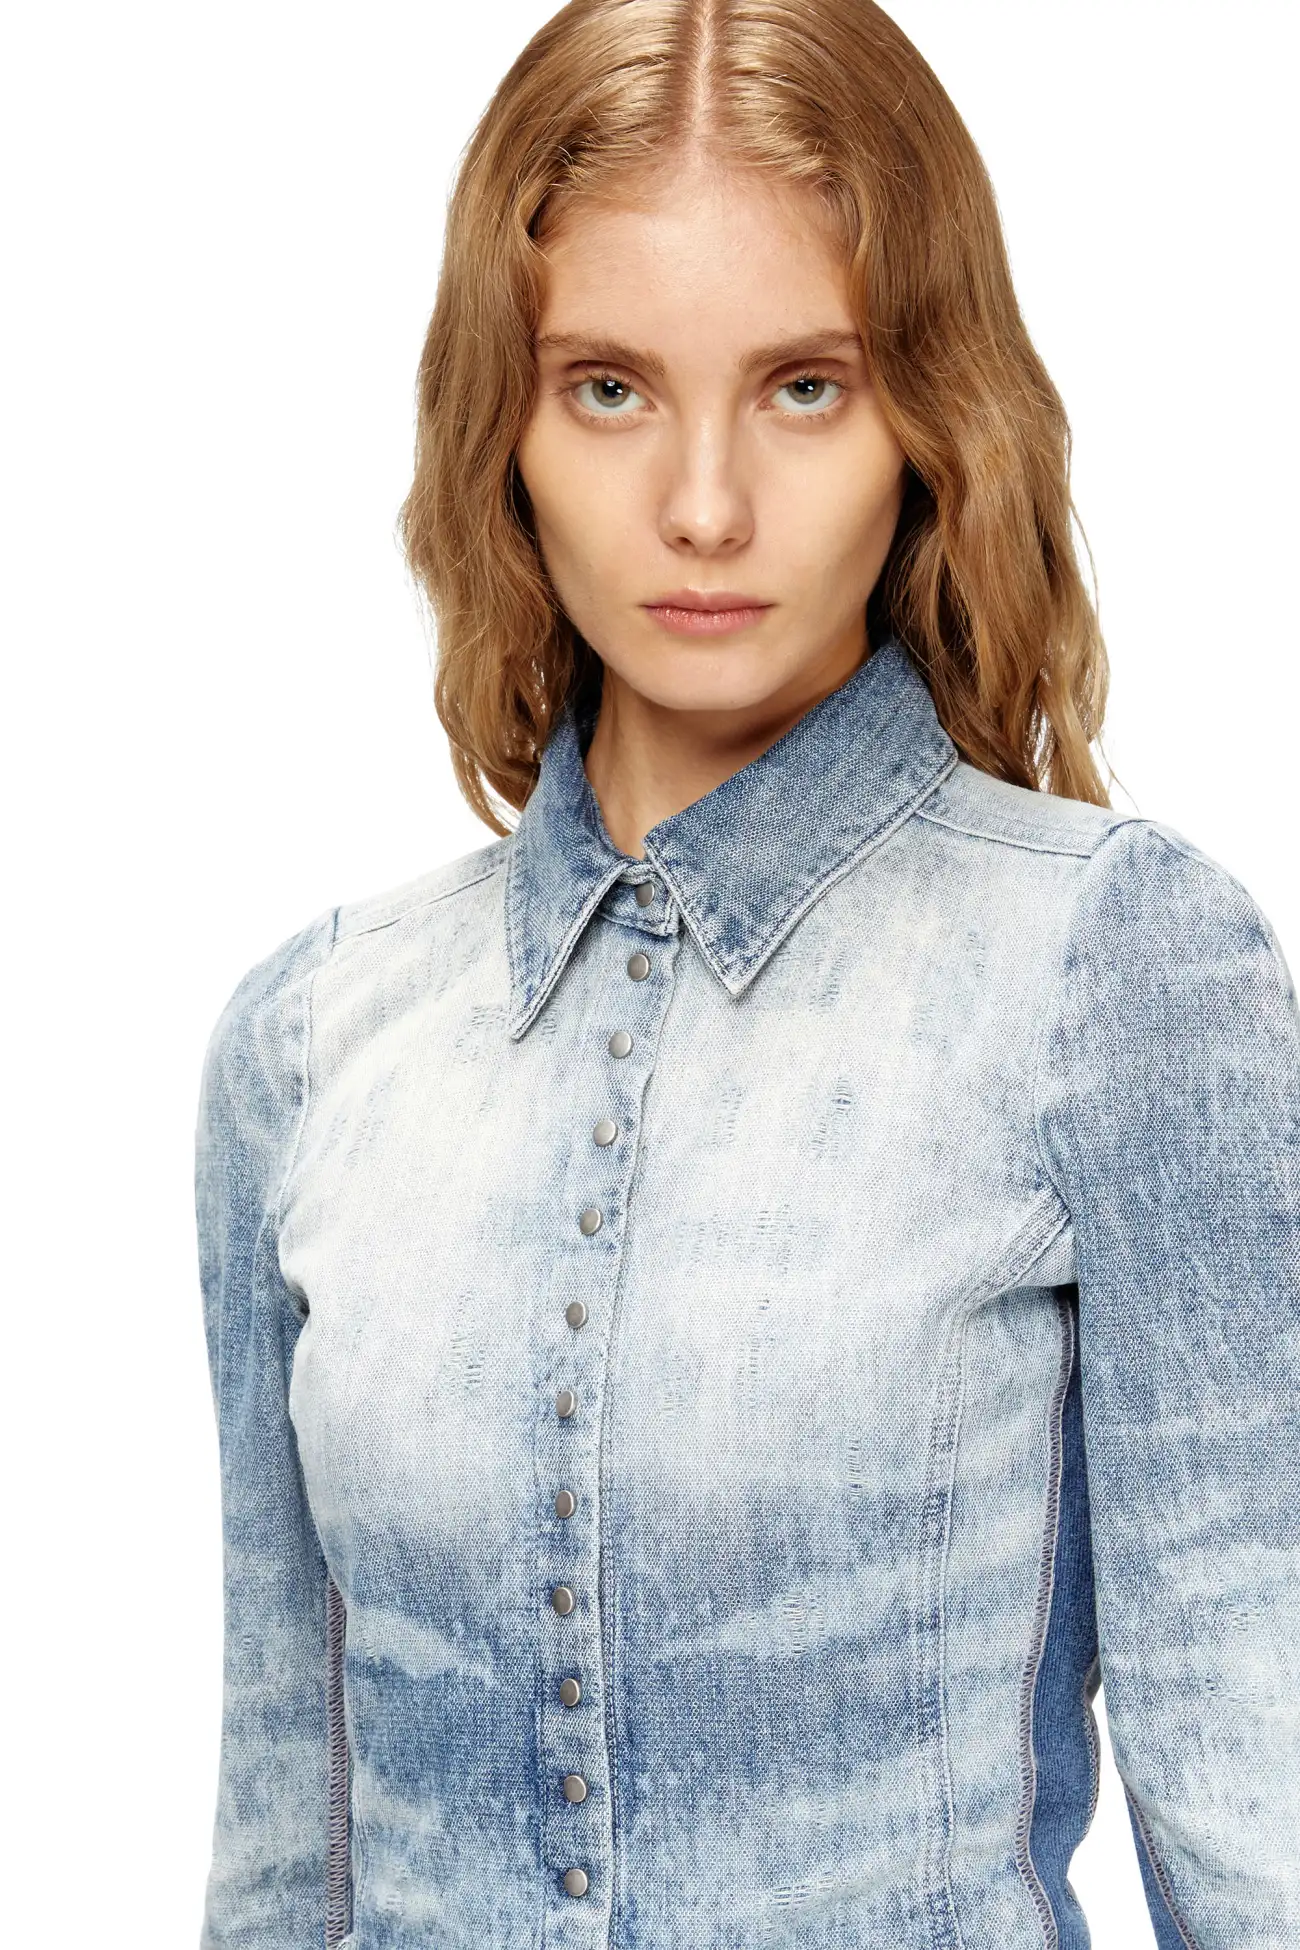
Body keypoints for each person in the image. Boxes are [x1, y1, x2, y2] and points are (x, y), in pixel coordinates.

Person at [193, 2, 1300, 1946]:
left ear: (927, 420)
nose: (703, 506)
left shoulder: (1112, 972)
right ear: (502, 430)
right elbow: (288, 1836)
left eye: (802, 386)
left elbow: (1253, 1787)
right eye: (609, 387)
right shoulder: (308, 1043)